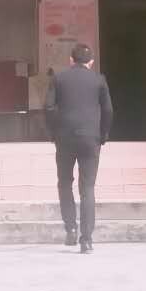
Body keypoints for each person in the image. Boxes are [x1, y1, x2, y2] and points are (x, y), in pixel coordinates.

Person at [45, 43, 113, 254]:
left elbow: (48, 107)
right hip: (90, 139)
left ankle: (71, 229)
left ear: (71, 60)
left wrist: (53, 133)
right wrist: (103, 135)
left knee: (65, 183)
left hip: (64, 138)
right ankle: (87, 240)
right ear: (91, 62)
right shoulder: (99, 79)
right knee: (88, 188)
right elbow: (108, 110)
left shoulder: (59, 78)